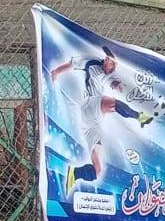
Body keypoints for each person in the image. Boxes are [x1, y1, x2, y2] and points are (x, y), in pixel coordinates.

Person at [49, 47, 155, 195]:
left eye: (111, 63)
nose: (107, 63)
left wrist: (119, 86)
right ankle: (140, 117)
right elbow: (71, 64)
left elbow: (113, 82)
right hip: (90, 104)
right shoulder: (91, 62)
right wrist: (56, 71)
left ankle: (75, 173)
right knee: (113, 104)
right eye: (107, 60)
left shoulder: (110, 74)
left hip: (91, 125)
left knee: (97, 171)